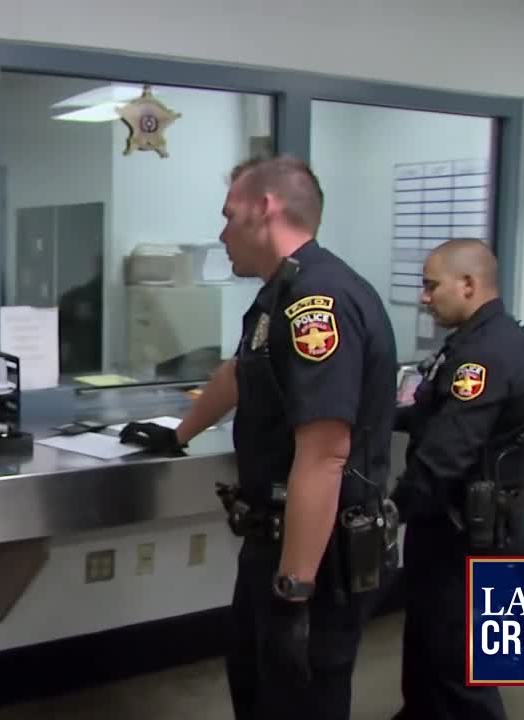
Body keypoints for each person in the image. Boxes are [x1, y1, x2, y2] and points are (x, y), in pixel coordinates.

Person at [120, 155, 400, 720]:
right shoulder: (281, 293)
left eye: (228, 217)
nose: (221, 234)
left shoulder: (318, 303)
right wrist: (179, 433)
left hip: (317, 557)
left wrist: (295, 591)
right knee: (256, 690)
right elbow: (241, 371)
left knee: (298, 701)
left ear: (265, 209)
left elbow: (325, 456)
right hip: (273, 544)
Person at [389, 238, 524, 720]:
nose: (424, 296)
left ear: (468, 284)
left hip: (469, 538)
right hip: (456, 528)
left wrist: (394, 508)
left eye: (430, 285)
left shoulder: (485, 357)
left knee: (460, 671)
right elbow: (426, 414)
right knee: (425, 654)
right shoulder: (482, 340)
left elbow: (446, 454)